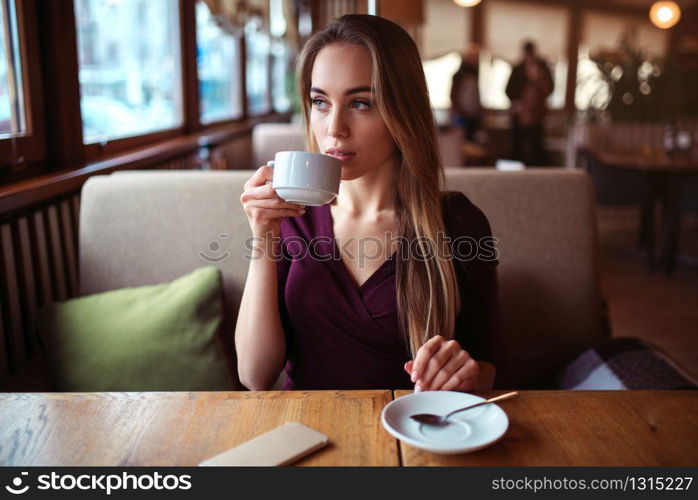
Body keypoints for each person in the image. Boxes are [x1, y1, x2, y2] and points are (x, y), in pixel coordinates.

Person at [236, 15, 498, 392]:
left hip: (410, 433)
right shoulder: (291, 217)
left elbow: (489, 366)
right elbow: (255, 376)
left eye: (360, 103)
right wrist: (262, 239)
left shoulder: (458, 223)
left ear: (402, 112)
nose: (333, 128)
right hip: (305, 430)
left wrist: (466, 376)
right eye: (320, 102)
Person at [505, 40, 553, 166]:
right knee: (517, 146)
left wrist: (538, 78)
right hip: (519, 114)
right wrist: (518, 104)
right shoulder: (518, 69)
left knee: (536, 146)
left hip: (537, 115)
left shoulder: (542, 69)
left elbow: (549, 89)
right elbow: (509, 90)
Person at [450, 45, 481, 142]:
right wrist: (461, 111)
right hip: (461, 116)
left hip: (472, 116)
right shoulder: (459, 76)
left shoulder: (474, 74)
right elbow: (453, 96)